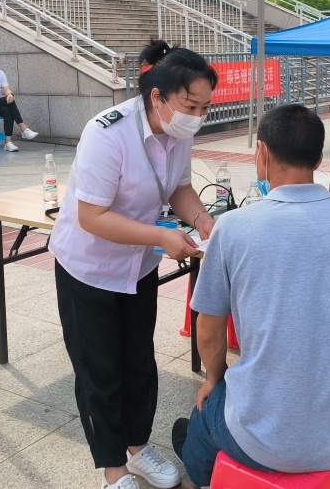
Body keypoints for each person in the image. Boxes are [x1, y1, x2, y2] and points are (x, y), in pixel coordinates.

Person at [174, 104, 330, 489]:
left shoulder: (233, 228)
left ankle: (200, 466)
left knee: (204, 414)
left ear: (261, 154)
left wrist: (214, 378)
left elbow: (208, 330)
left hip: (262, 442)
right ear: (318, 157)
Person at [49, 40, 218, 489]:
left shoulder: (178, 133)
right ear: (157, 96)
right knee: (99, 371)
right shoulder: (107, 133)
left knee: (139, 363)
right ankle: (114, 471)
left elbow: (178, 187)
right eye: (190, 106)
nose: (197, 117)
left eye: (204, 108)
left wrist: (202, 220)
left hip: (137, 267)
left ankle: (138, 449)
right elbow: (92, 216)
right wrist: (161, 237)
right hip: (88, 270)